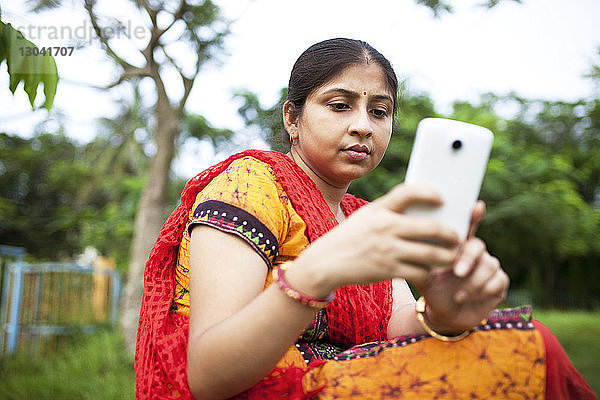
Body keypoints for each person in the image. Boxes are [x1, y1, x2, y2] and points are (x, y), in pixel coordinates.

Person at [135, 38, 597, 399]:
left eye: (380, 111)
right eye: (340, 106)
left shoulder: (362, 216)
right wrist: (319, 270)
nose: (363, 125)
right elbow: (209, 375)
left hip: (353, 380)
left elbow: (398, 330)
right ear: (292, 119)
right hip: (267, 392)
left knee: (524, 343)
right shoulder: (251, 184)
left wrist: (442, 312)